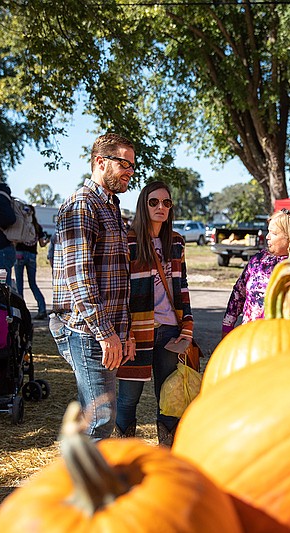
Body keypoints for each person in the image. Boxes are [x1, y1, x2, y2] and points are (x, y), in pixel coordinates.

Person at [49, 133, 136, 441]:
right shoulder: (82, 206)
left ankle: (81, 482)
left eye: (132, 165)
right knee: (99, 420)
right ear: (101, 162)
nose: (130, 171)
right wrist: (107, 333)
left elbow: (118, 278)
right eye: (124, 163)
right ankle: (84, 485)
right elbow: (80, 279)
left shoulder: (112, 207)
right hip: (86, 330)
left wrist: (124, 334)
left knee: (97, 414)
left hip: (106, 331)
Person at [115, 181, 194, 447]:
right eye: (154, 202)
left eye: (166, 203)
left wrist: (187, 328)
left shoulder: (176, 243)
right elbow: (122, 291)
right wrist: (125, 332)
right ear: (143, 205)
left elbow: (182, 287)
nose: (161, 207)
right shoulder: (129, 240)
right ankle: (125, 454)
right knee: (128, 397)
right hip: (137, 332)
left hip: (170, 331)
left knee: (170, 399)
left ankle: (167, 456)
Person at [14, 205, 48, 320]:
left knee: (19, 284)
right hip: (32, 256)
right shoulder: (37, 226)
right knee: (32, 283)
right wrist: (47, 240)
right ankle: (42, 308)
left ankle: (20, 311)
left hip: (19, 254)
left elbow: (14, 240)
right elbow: (42, 244)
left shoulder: (20, 225)